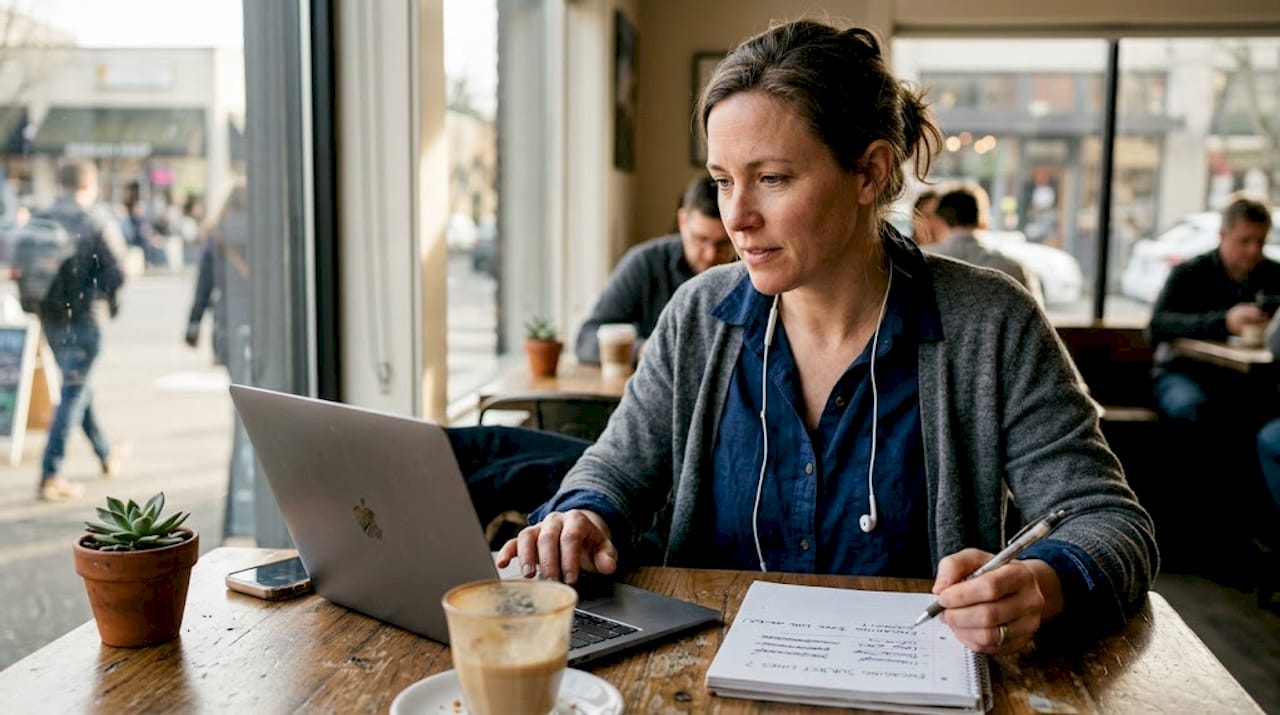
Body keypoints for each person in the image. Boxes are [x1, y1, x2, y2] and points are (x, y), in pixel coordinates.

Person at [499, 19, 1157, 655]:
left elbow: (1110, 522)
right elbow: (614, 470)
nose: (737, 217)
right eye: (724, 181)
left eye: (772, 178)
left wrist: (1043, 584)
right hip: (704, 681)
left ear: (868, 173)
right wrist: (583, 515)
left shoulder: (992, 324)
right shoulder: (698, 315)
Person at [36, 159, 127, 501]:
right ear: (89, 185)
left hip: (51, 318)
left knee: (77, 386)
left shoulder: (41, 218)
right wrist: (107, 300)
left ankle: (105, 453)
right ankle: (51, 473)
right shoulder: (95, 220)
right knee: (74, 391)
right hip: (85, 318)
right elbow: (117, 270)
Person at [574, 175, 734, 364]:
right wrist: (643, 350)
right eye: (701, 239)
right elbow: (586, 338)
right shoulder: (645, 263)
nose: (710, 255)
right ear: (682, 221)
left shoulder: (752, 272)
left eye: (723, 243)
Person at [926, 184, 1044, 305]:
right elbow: (1036, 313)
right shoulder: (1014, 269)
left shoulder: (921, 262)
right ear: (982, 219)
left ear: (939, 221)